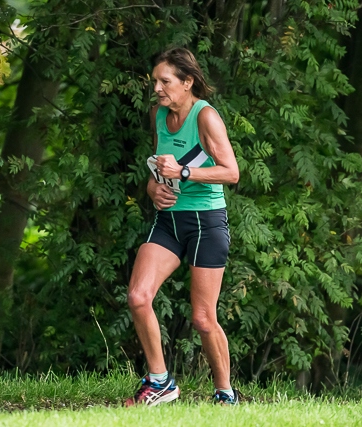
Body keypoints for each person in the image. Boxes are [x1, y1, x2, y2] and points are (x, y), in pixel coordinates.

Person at [125, 47, 240, 406]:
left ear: (188, 82)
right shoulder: (159, 114)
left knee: (203, 319)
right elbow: (158, 172)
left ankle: (225, 394)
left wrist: (185, 172)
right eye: (155, 81)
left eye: (165, 81)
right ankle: (160, 382)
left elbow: (231, 172)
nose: (157, 88)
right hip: (169, 221)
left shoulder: (206, 117)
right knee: (138, 296)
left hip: (206, 223)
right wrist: (154, 189)